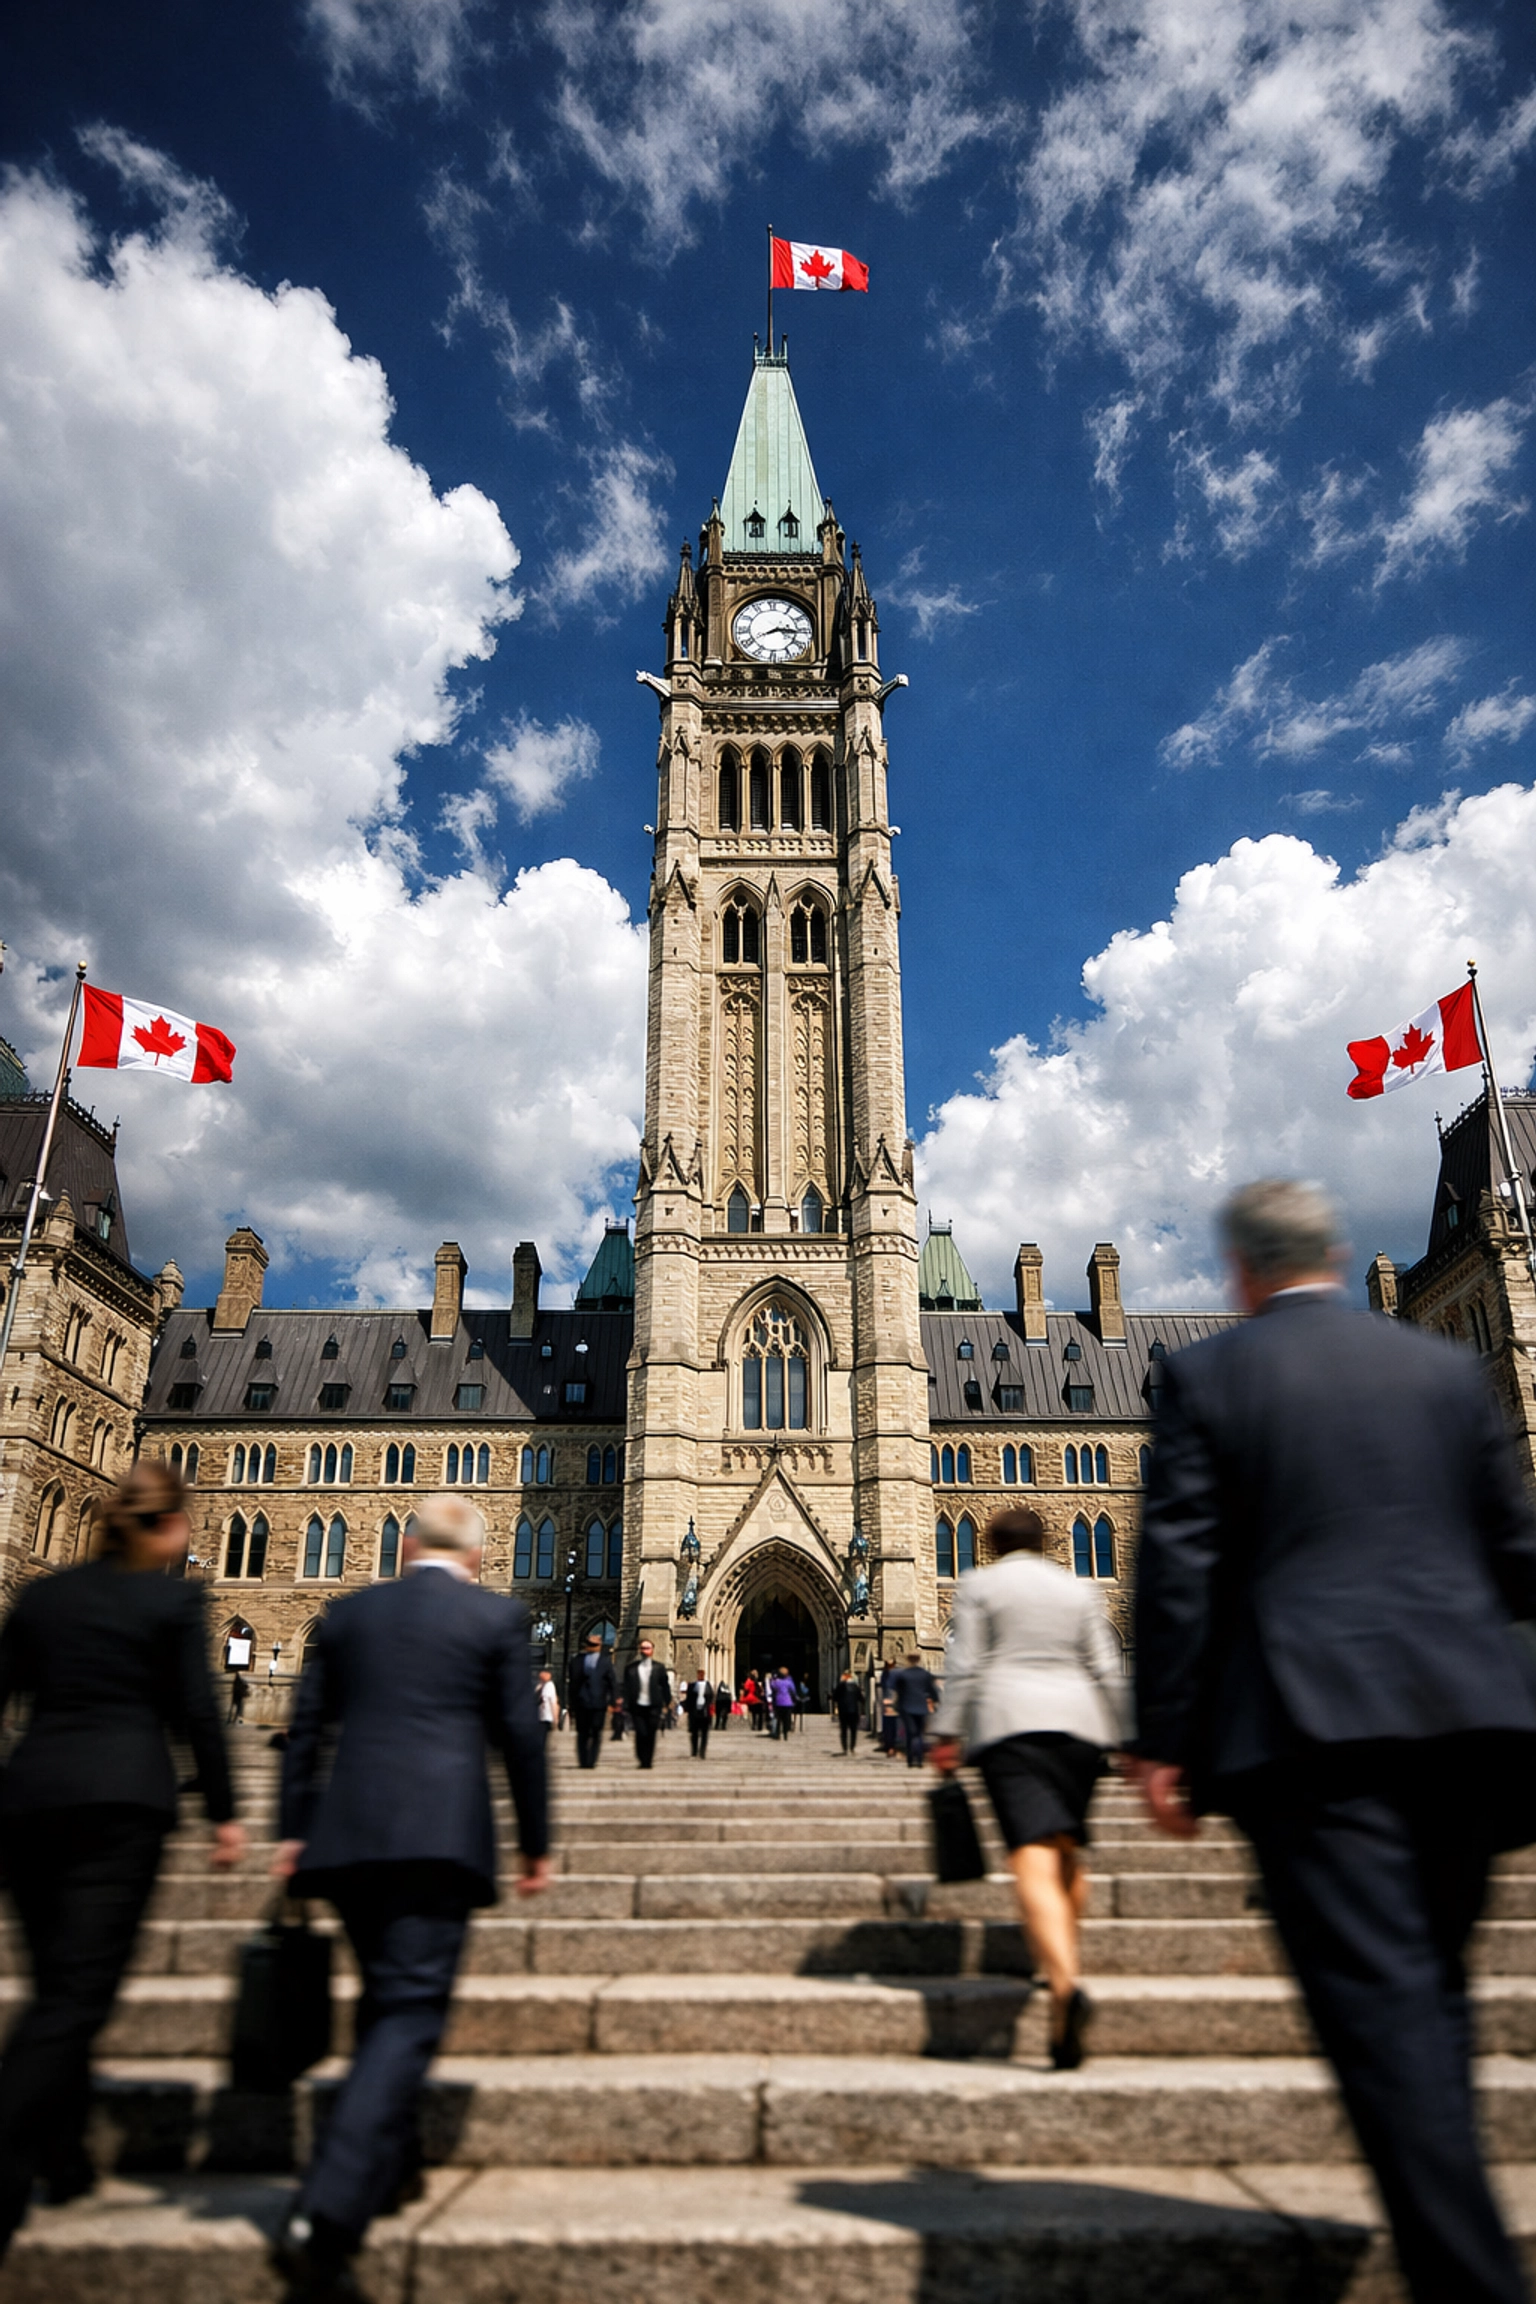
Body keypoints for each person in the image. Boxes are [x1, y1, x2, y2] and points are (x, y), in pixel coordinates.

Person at [1133, 1177, 1536, 2304]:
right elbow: (1517, 1558)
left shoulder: (1212, 1376)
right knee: (1431, 1997)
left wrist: (1163, 1739)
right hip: (1470, 1732)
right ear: (1335, 1255)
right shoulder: (1444, 1368)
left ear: (1245, 1275)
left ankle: (1469, 2274)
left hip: (1320, 1740)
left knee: (1388, 2013)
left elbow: (1178, 1580)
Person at [274, 1492, 549, 2300]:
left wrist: (293, 1833)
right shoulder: (495, 1618)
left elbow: (304, 1730)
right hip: (438, 1839)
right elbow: (521, 1740)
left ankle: (383, 2174)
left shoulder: (349, 1613)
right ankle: (324, 2216)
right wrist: (535, 1842)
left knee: (378, 2006)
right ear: (476, 1556)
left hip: (346, 1839)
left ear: (404, 1548)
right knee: (405, 2016)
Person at [0, 1462, 244, 2258]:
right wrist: (225, 1811)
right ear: (167, 1528)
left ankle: (64, 2159)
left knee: (55, 1985)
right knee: (76, 1996)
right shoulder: (171, 1598)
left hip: (30, 1804)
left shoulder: (43, 1596)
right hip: (122, 1808)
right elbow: (199, 1715)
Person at [930, 1507, 1126, 2070]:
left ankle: (1064, 1987)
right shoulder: (1078, 1588)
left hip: (1012, 1724)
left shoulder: (981, 1583)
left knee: (1032, 1857)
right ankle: (1064, 1954)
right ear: (1045, 1541)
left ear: (989, 1543)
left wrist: (946, 1730)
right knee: (1068, 1846)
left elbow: (965, 1665)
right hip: (1083, 1729)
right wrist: (1130, 1737)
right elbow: (1107, 1665)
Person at [565, 1633, 617, 1769]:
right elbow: (572, 1684)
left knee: (595, 1732)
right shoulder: (577, 1660)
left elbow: (612, 1682)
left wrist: (613, 1701)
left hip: (598, 1702)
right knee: (582, 1733)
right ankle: (583, 1761)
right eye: (590, 1645)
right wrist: (571, 1703)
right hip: (581, 1702)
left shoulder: (605, 1661)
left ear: (600, 1646)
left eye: (595, 1645)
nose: (593, 1647)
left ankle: (591, 1760)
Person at [621, 1639, 671, 1770]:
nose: (645, 1651)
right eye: (643, 1648)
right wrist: (624, 1703)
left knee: (651, 1733)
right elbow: (626, 1688)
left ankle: (647, 1760)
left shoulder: (659, 1668)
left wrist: (667, 1701)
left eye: (647, 1648)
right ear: (639, 1650)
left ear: (652, 1650)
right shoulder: (631, 1668)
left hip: (653, 1705)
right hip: (637, 1705)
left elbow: (665, 1686)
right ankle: (641, 1757)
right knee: (641, 1732)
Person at [890, 1650, 940, 1769]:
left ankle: (910, 1759)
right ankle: (919, 1759)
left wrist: (896, 1706)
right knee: (919, 1733)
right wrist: (935, 1701)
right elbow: (932, 1691)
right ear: (918, 1659)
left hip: (906, 1707)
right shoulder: (925, 1674)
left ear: (908, 1659)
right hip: (921, 1707)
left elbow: (897, 1691)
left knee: (910, 1733)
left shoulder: (902, 1675)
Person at [683, 1669, 713, 1758]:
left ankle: (702, 1752)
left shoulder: (708, 1686)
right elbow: (688, 1700)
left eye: (702, 1674)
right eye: (699, 1674)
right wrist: (688, 1711)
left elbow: (711, 1698)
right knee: (694, 1733)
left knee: (704, 1734)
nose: (700, 1676)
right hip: (694, 1712)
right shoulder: (692, 1686)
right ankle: (694, 1751)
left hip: (705, 1713)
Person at [834, 1669, 863, 1755]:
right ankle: (852, 1748)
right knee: (853, 1730)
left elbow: (835, 1697)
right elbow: (861, 1698)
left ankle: (845, 1748)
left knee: (844, 1730)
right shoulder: (855, 1686)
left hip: (843, 1711)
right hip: (853, 1711)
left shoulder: (841, 1686)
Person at [769, 1666, 797, 1741]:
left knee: (778, 1719)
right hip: (788, 1702)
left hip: (778, 1702)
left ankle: (777, 1733)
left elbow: (772, 1687)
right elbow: (793, 1691)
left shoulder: (775, 1682)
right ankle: (785, 1734)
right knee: (786, 1719)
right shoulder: (789, 1682)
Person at [535, 1669, 560, 1738]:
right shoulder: (543, 1686)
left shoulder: (549, 1686)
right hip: (542, 1716)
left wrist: (555, 1717)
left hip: (547, 1716)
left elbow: (553, 1703)